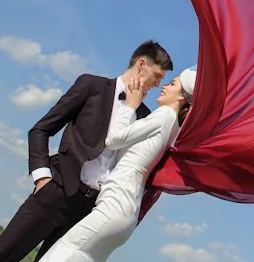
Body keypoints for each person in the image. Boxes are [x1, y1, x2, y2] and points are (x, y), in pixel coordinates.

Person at [0, 41, 173, 262]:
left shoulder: (146, 117)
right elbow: (41, 129)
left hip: (88, 212)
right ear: (141, 65)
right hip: (55, 191)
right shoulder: (92, 86)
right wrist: (42, 179)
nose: (158, 84)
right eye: (157, 75)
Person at [40, 66, 196, 261]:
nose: (164, 86)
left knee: (60, 253)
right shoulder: (173, 126)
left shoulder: (164, 115)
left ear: (182, 97)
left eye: (172, 84)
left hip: (116, 206)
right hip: (124, 210)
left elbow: (113, 140)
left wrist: (130, 106)